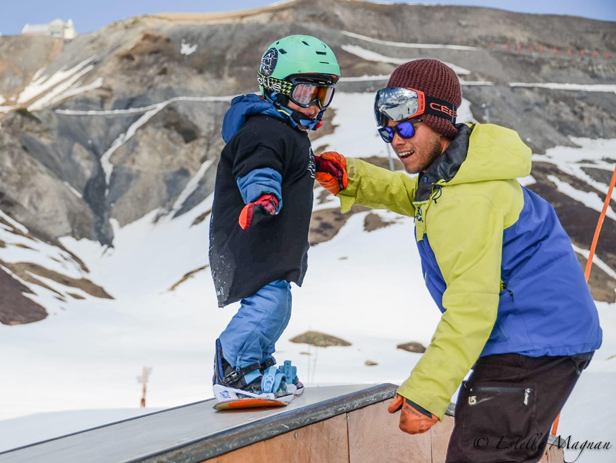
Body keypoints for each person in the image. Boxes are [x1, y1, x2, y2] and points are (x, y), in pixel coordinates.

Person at [314, 58, 602, 462]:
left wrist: (426, 392)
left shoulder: (468, 198)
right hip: (543, 335)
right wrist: (354, 179)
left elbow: (471, 307)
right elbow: (419, 196)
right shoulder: (460, 171)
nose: (396, 141)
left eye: (406, 127)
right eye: (388, 131)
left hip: (535, 345)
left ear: (441, 120)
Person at [209, 35, 340, 404]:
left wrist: (314, 167)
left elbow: (286, 164)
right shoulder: (264, 129)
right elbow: (258, 165)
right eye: (305, 93)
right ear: (276, 88)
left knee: (277, 305)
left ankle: (257, 365)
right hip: (253, 235)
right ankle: (233, 364)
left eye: (322, 95)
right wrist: (262, 195)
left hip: (272, 242)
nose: (315, 105)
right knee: (268, 304)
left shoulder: (288, 132)